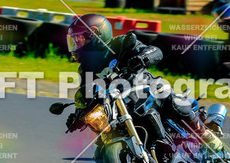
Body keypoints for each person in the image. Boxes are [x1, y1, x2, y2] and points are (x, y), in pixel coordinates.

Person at [66, 13, 221, 151]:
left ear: (95, 34)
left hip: (146, 88)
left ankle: (204, 134)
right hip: (119, 106)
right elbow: (88, 94)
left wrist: (143, 58)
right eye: (73, 41)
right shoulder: (85, 69)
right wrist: (78, 115)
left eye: (79, 39)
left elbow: (155, 51)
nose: (76, 45)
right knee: (100, 149)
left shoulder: (121, 43)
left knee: (171, 99)